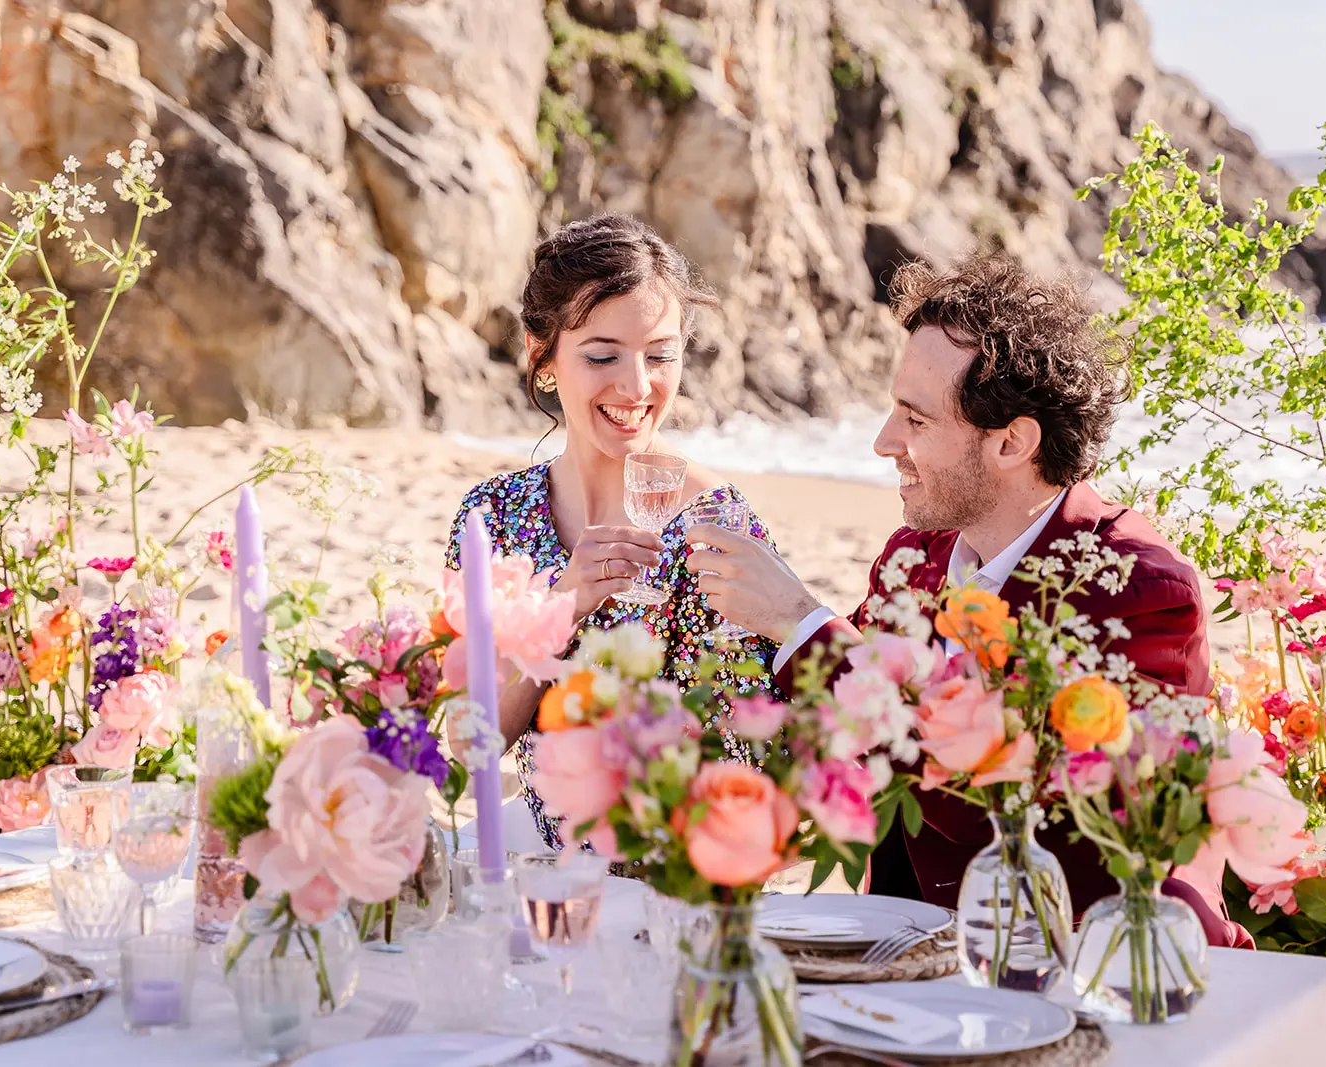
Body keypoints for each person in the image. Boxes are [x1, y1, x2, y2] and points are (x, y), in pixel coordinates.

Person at [688, 252, 1250, 947]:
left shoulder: (1138, 590)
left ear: (1012, 441)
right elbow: (854, 738)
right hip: (914, 951)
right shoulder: (912, 556)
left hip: (1100, 962)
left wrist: (800, 621)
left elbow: (1005, 804)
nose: (883, 441)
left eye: (915, 420)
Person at [447, 213, 780, 852]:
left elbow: (755, 747)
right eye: (602, 356)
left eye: (660, 356)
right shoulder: (492, 516)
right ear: (541, 357)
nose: (636, 386)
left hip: (679, 873)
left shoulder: (717, 523)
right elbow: (471, 741)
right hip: (545, 867)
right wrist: (564, 608)